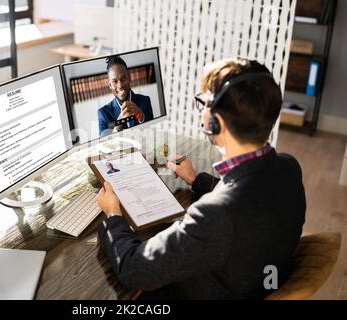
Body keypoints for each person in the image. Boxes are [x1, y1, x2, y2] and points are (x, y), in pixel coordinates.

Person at [95, 58, 306, 299]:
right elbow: (253, 196)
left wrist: (113, 215)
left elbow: (134, 269)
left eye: (203, 102)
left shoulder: (216, 216)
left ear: (218, 122)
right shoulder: (289, 167)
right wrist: (196, 179)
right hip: (253, 278)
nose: (201, 110)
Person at [98, 55, 154, 136]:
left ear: (129, 78)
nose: (120, 86)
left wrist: (140, 115)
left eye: (123, 79)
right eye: (115, 81)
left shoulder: (145, 101)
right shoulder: (103, 113)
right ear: (110, 85)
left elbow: (152, 133)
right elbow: (104, 144)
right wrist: (118, 124)